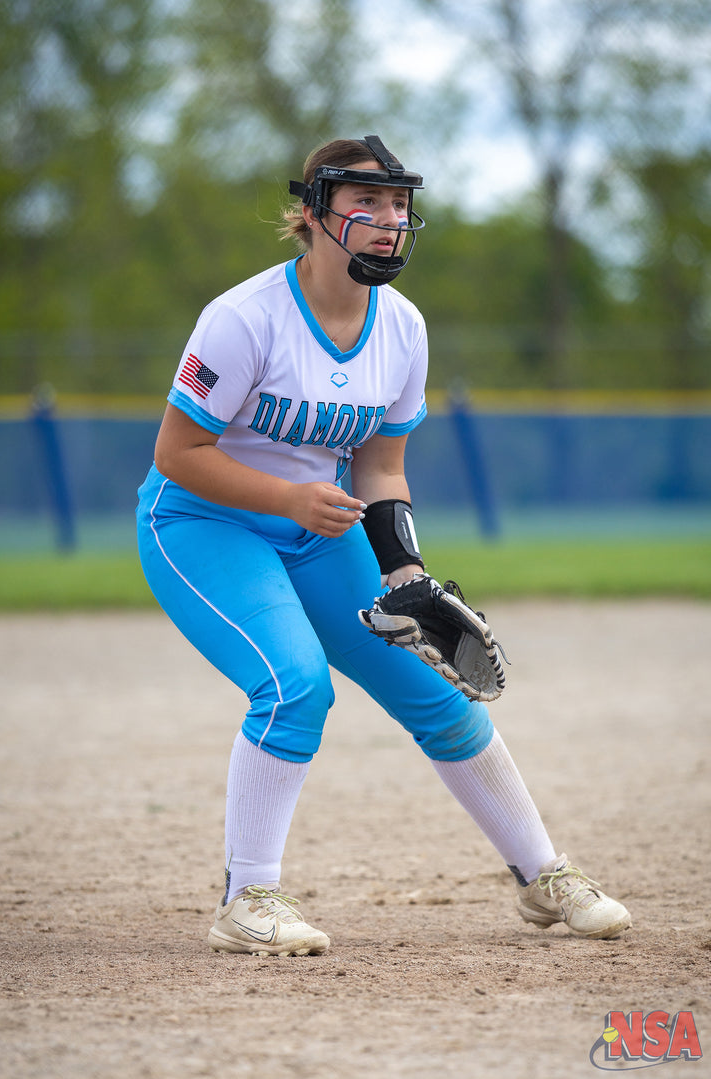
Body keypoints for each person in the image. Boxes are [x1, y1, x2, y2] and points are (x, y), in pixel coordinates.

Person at [136, 135, 631, 957]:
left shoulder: (402, 328)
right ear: (312, 212)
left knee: (438, 693)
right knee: (294, 687)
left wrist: (403, 567)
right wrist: (291, 496)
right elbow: (177, 454)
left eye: (399, 203)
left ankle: (544, 875)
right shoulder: (243, 319)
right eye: (366, 201)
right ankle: (247, 897)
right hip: (201, 523)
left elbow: (380, 464)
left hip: (321, 527)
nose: (388, 219)